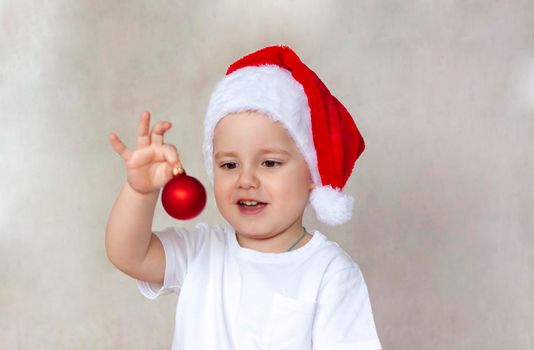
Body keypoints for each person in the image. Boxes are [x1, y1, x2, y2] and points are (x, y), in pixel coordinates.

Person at [106, 45, 382, 350]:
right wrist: (140, 191)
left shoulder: (329, 272)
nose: (246, 180)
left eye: (270, 163)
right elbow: (129, 254)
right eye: (229, 165)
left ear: (312, 174)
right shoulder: (200, 253)